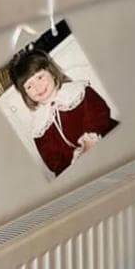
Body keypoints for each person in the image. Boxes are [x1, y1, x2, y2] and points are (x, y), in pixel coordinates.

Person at [9, 47, 118, 177]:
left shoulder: (78, 91)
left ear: (51, 72)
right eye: (29, 86)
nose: (38, 87)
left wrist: (90, 142)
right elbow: (54, 163)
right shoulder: (38, 127)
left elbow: (99, 113)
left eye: (40, 77)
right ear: (25, 94)